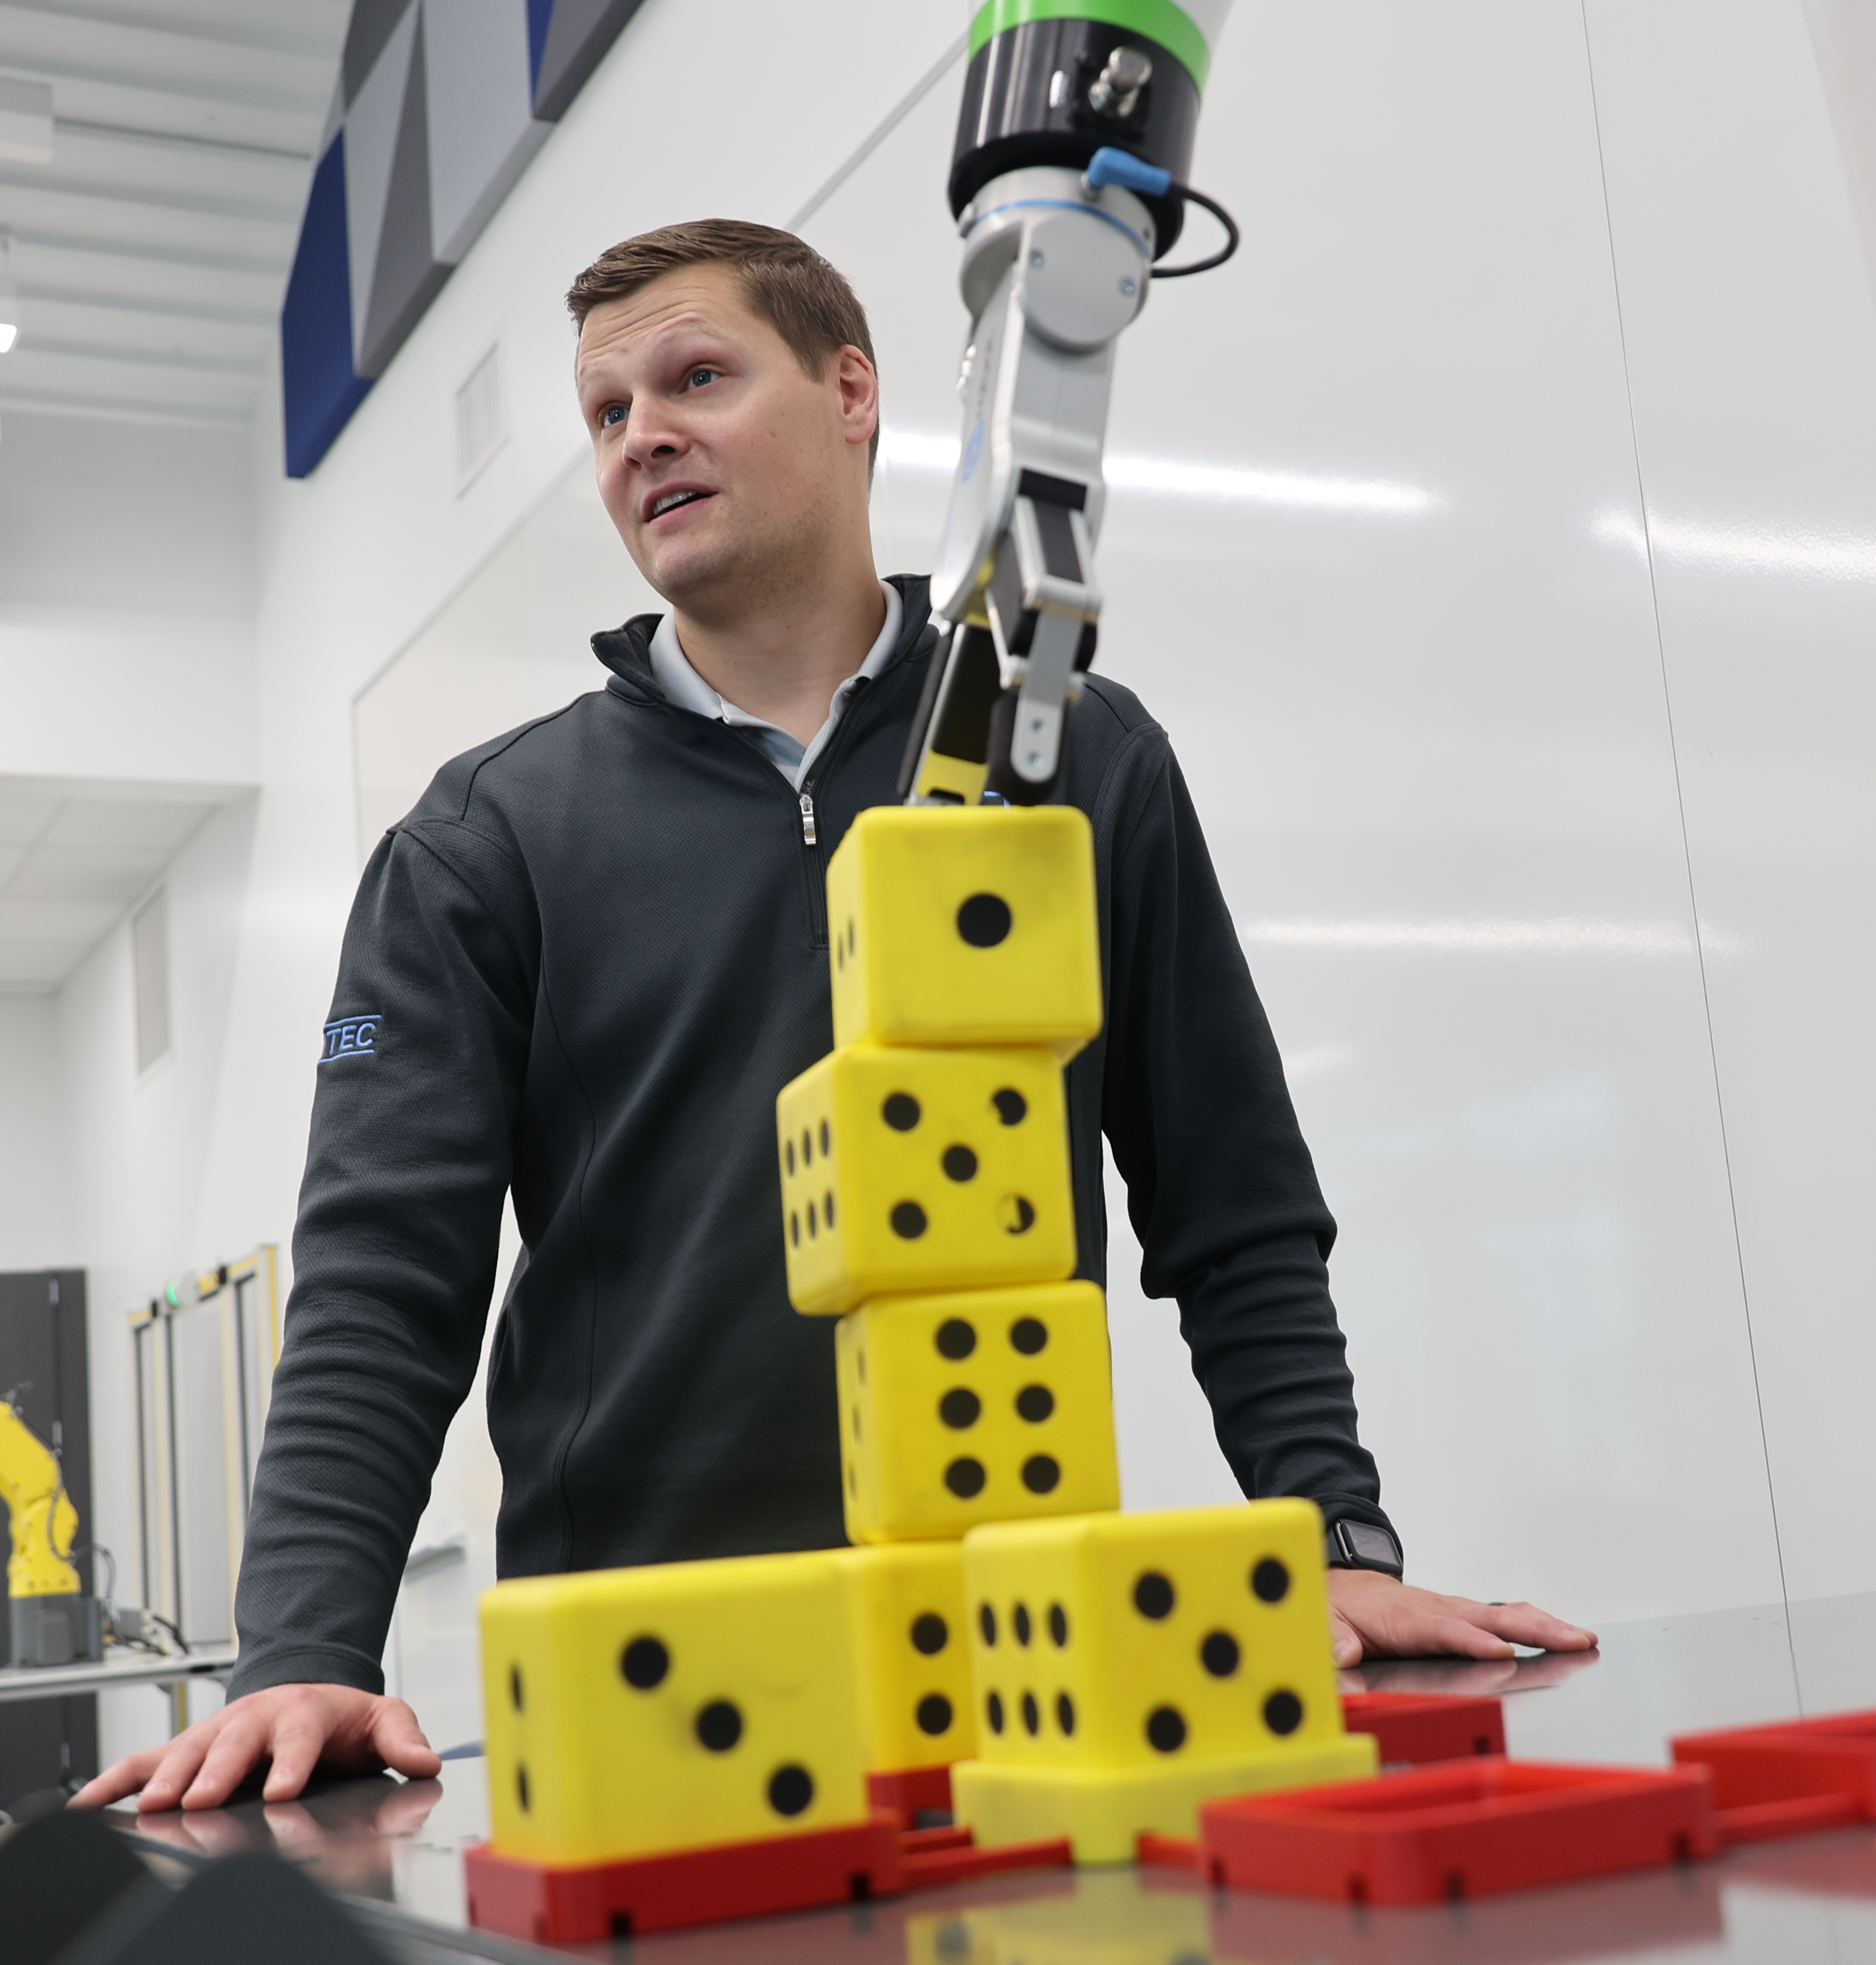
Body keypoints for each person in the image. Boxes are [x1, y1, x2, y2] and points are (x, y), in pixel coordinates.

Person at [76, 221, 1593, 1815]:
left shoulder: (1071, 753)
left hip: (1021, 1670)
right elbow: (386, 1285)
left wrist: (1332, 1537)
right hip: (651, 1680)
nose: (642, 434)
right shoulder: (486, 842)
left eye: (699, 377)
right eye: (606, 414)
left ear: (851, 391)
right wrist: (301, 1649)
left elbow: (1234, 1203)